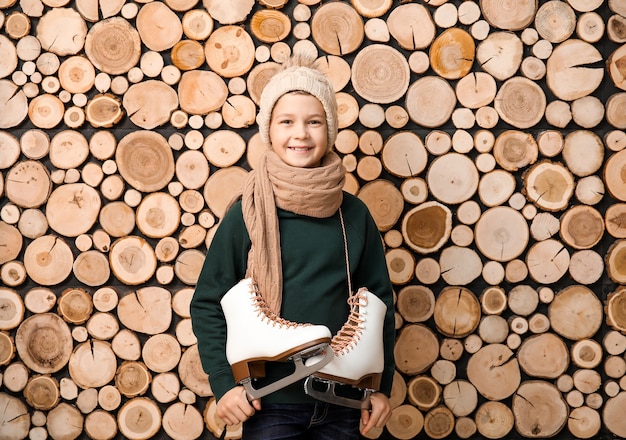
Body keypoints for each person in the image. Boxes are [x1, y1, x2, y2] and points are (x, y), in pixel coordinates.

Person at [190, 54, 396, 439]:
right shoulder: (247, 212)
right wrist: (223, 382)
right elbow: (208, 302)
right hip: (270, 402)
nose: (300, 134)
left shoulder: (353, 214)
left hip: (345, 401)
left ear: (330, 130)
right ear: (269, 129)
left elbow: (379, 305)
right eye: (287, 121)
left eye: (314, 121)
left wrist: (379, 388)